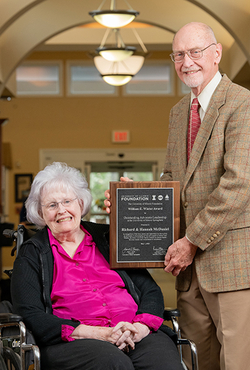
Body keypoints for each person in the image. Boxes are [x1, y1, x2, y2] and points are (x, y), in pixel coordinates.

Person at [105, 22, 250, 370]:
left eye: (195, 52)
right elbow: (173, 181)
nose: (187, 62)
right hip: (189, 274)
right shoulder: (178, 113)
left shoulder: (242, 104)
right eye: (179, 55)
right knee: (196, 359)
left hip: (230, 265)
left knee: (238, 362)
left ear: (216, 54)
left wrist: (191, 241)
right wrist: (132, 200)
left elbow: (239, 184)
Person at [11, 162, 182, 370]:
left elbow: (150, 290)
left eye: (67, 201)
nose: (62, 210)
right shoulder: (33, 252)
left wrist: (138, 328)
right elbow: (31, 313)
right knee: (113, 363)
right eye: (52, 205)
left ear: (81, 203)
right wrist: (100, 334)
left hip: (133, 330)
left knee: (164, 363)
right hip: (76, 341)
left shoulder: (109, 238)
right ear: (40, 211)